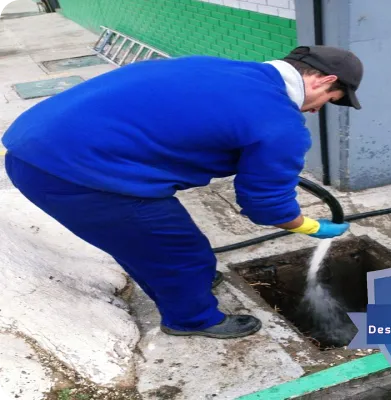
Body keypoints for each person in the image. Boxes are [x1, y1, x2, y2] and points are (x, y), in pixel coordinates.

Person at [2, 45, 363, 339]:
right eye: (330, 99)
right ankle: (191, 320)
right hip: (81, 174)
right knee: (176, 250)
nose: (317, 109)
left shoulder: (213, 64)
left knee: (142, 242)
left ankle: (189, 285)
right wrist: (310, 227)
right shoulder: (280, 123)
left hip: (34, 147)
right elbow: (266, 207)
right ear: (324, 80)